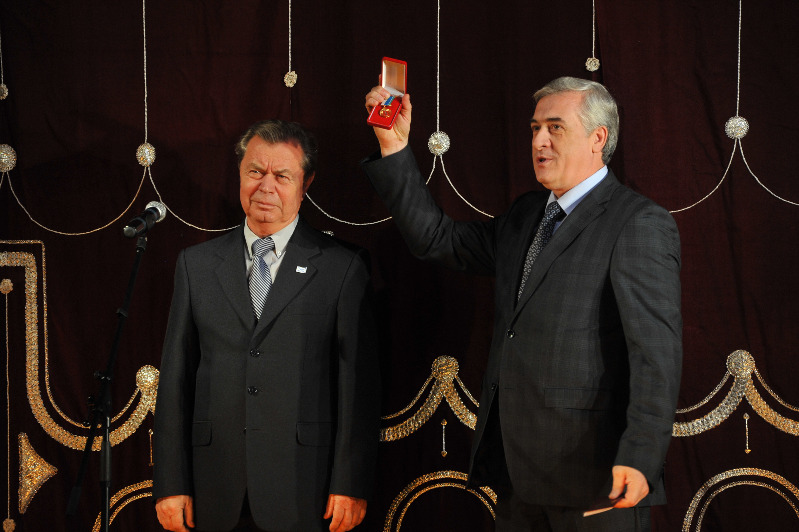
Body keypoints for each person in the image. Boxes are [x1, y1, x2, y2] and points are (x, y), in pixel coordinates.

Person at [362, 77, 682, 531]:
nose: (538, 141)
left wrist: (641, 456)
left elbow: (656, 355)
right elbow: (436, 239)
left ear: (598, 138)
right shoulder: (526, 214)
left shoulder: (638, 223)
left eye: (555, 127)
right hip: (516, 478)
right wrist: (394, 146)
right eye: (535, 129)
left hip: (597, 481)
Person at [153, 120, 380, 532]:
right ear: (240, 174)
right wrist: (171, 484)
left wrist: (351, 482)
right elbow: (175, 380)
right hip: (212, 488)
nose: (266, 187)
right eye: (255, 172)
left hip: (306, 486)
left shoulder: (342, 268)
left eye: (282, 176)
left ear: (305, 183)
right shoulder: (195, 266)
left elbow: (357, 386)